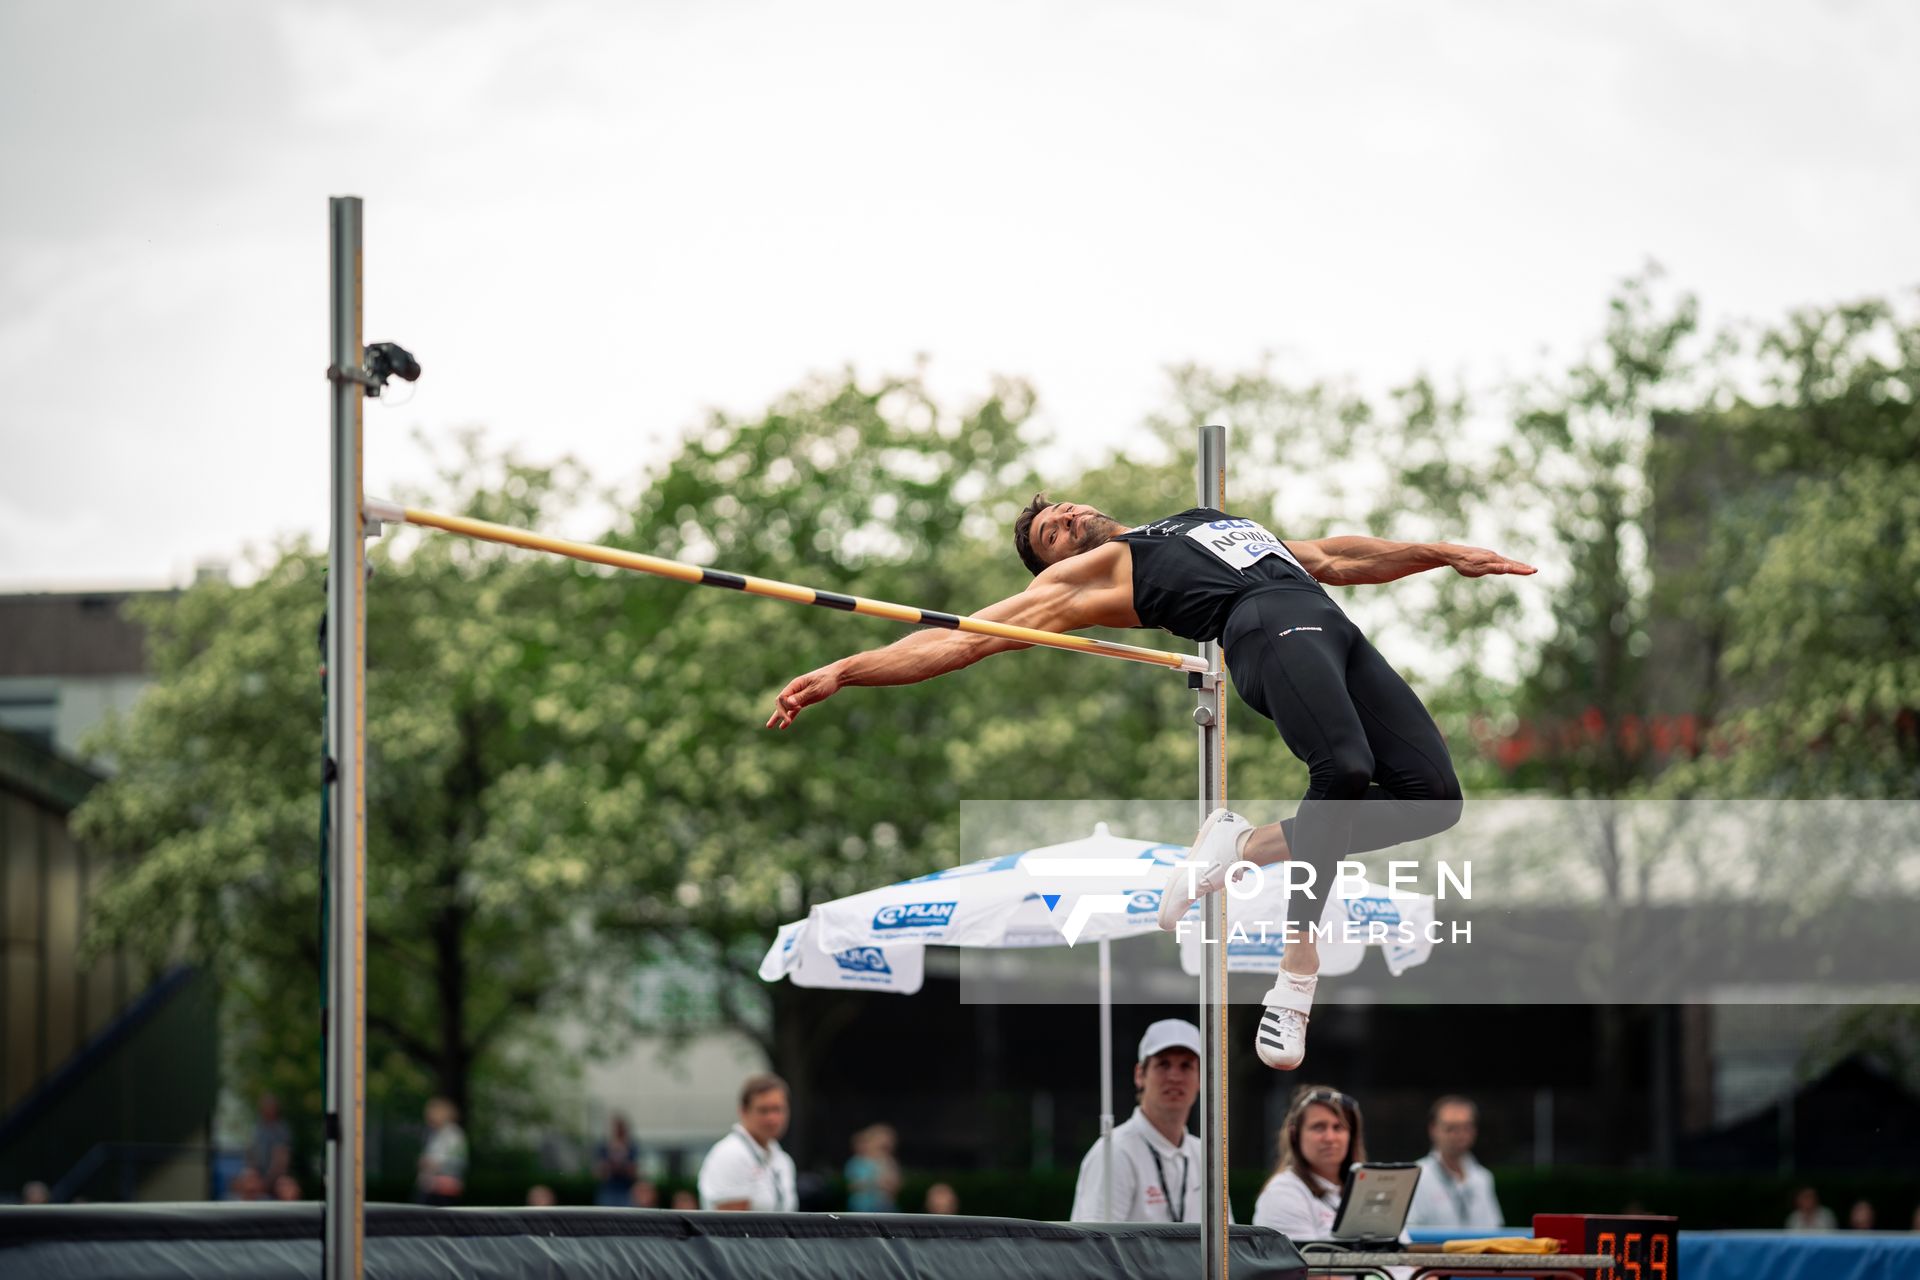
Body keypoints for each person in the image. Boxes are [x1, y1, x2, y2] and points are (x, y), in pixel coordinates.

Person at [770, 497, 1532, 1071]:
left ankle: (1240, 846)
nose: (1067, 520)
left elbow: (1333, 558)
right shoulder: (1087, 576)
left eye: (1065, 511)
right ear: (1054, 567)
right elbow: (958, 639)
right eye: (1051, 534)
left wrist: (1438, 553)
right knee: (1346, 768)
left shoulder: (1199, 521)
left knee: (1432, 797)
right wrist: (846, 670)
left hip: (1330, 625)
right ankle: (1296, 975)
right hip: (1263, 627)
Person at [1070, 1020, 1209, 1223]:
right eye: (1163, 1064)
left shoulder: (1205, 1156)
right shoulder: (1115, 1152)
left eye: (1186, 1065)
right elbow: (1094, 1248)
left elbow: (1226, 1245)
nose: (1174, 1076)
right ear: (1139, 1075)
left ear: (1200, 1079)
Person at [697, 1073, 799, 1212]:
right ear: (743, 1111)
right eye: (763, 1110)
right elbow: (733, 1227)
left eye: (778, 1109)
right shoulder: (730, 1154)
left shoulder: (782, 1159)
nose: (772, 1118)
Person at [1405, 1095, 1504, 1230]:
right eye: (1451, 1128)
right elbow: (1410, 1234)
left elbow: (1495, 1230)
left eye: (1466, 1127)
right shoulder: (1415, 1175)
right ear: (1433, 1129)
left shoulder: (1482, 1178)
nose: (1460, 1134)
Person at [414, 1096, 468, 1206]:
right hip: (430, 1186)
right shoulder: (435, 1133)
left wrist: (431, 1163)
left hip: (443, 1187)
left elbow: (457, 1160)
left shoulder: (453, 1134)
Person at [845, 1124, 901, 1213]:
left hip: (886, 1207)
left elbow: (895, 1185)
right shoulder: (857, 1162)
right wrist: (875, 1183)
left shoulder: (889, 1162)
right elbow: (852, 1185)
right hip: (862, 1208)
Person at [593, 1113, 641, 1208]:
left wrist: (624, 1165)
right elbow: (598, 1173)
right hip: (608, 1190)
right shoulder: (604, 1147)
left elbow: (635, 1173)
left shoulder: (631, 1147)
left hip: (626, 1191)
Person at [248, 1094, 292, 1184]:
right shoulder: (258, 1127)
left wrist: (268, 1180)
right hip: (257, 1176)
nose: (266, 1110)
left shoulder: (281, 1130)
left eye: (269, 1107)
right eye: (264, 1107)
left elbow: (281, 1158)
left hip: (275, 1178)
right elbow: (251, 1150)